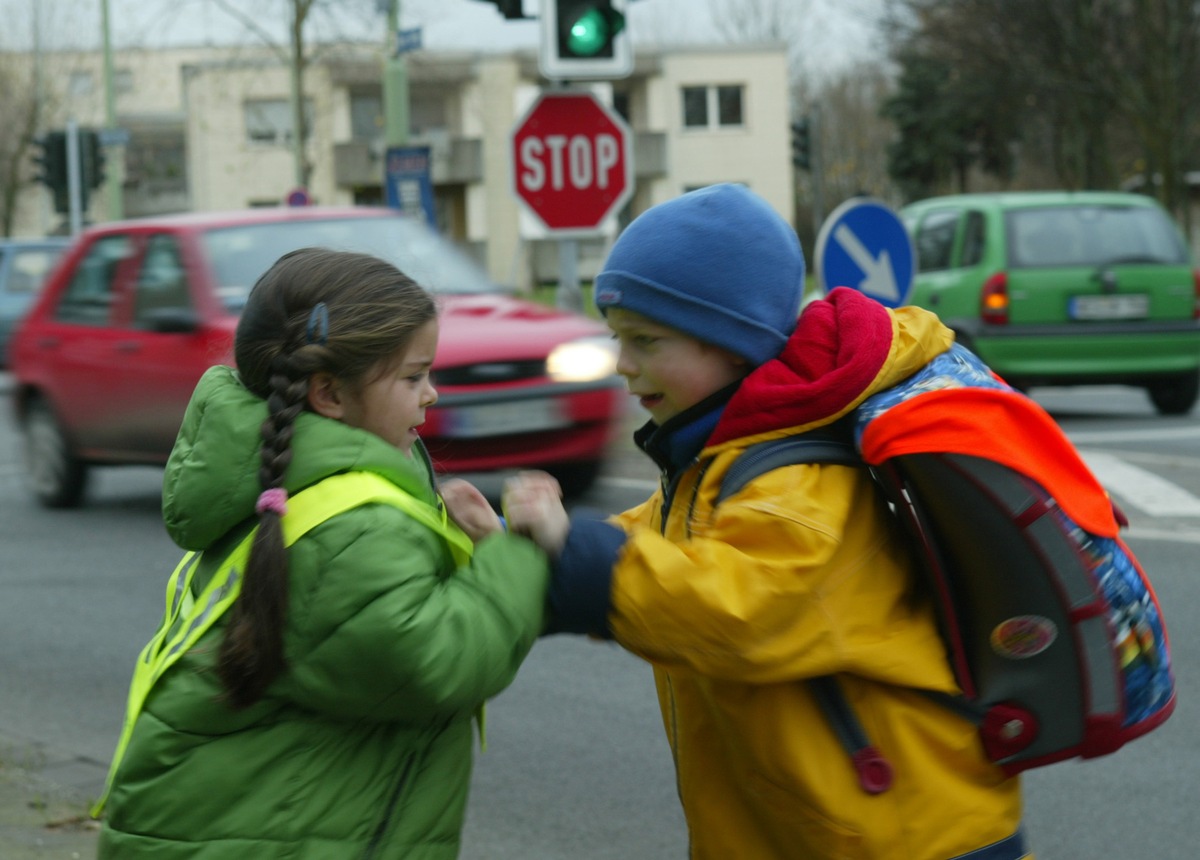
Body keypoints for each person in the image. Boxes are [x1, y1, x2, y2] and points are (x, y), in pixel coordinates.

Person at [498, 184, 1030, 859]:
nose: (624, 364)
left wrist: (576, 555)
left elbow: (735, 610)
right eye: (617, 339)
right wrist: (514, 545)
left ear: (733, 345)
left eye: (647, 340)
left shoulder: (794, 479)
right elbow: (662, 543)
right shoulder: (723, 455)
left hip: (907, 837)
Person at [95, 248, 550, 859]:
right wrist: (519, 552)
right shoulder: (351, 529)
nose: (433, 394)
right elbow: (437, 661)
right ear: (329, 394)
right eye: (413, 377)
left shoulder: (283, 486)